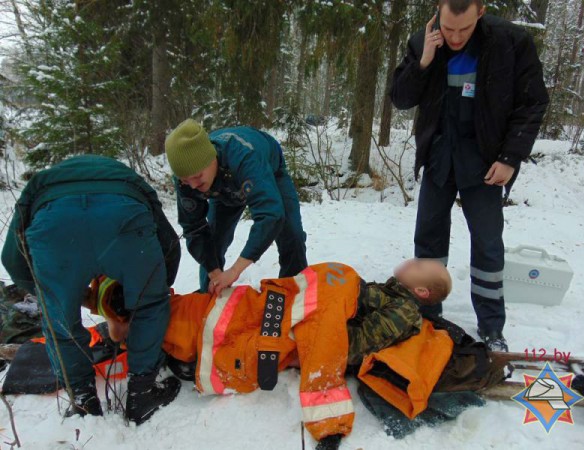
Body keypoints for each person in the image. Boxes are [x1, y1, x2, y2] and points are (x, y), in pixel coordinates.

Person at [87, 258, 452, 449]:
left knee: (194, 327)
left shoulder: (404, 312)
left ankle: (123, 317)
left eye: (420, 265)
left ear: (421, 291)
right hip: (266, 305)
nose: (412, 259)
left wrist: (305, 335)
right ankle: (121, 304)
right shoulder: (382, 292)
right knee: (194, 310)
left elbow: (351, 342)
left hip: (278, 329)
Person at [390, 0, 549, 351]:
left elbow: (533, 102)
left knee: (488, 244)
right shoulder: (423, 41)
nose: (456, 37)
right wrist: (425, 60)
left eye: (464, 29)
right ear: (438, 13)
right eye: (448, 29)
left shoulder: (510, 41)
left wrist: (511, 156)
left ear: (480, 12)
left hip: (485, 160)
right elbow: (400, 98)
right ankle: (427, 317)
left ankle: (492, 327)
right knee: (428, 242)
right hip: (439, 155)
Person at [1, 155, 182, 424]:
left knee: (60, 322)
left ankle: (84, 402)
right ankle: (142, 393)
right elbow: (169, 244)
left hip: (55, 224)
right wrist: (155, 288)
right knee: (150, 305)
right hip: (123, 214)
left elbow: (11, 259)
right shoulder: (129, 179)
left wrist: (49, 294)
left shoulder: (39, 185)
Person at [165, 119, 308, 294]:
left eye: (197, 176)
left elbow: (270, 215)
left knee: (291, 233)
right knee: (213, 243)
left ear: (211, 160)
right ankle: (209, 299)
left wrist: (234, 271)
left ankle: (294, 293)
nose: (193, 186)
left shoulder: (245, 157)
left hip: (269, 171)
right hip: (221, 190)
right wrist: (215, 273)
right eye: (185, 180)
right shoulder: (186, 181)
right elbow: (194, 229)